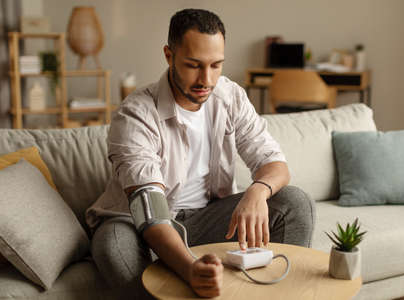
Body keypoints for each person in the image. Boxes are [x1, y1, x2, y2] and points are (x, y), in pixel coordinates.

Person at [86, 8, 316, 299]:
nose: (206, 79)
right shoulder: (135, 114)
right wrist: (189, 270)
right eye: (194, 65)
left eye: (216, 65)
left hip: (205, 217)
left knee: (294, 202)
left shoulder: (230, 96)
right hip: (136, 223)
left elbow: (275, 164)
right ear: (169, 56)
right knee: (112, 246)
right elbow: (151, 213)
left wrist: (258, 191)